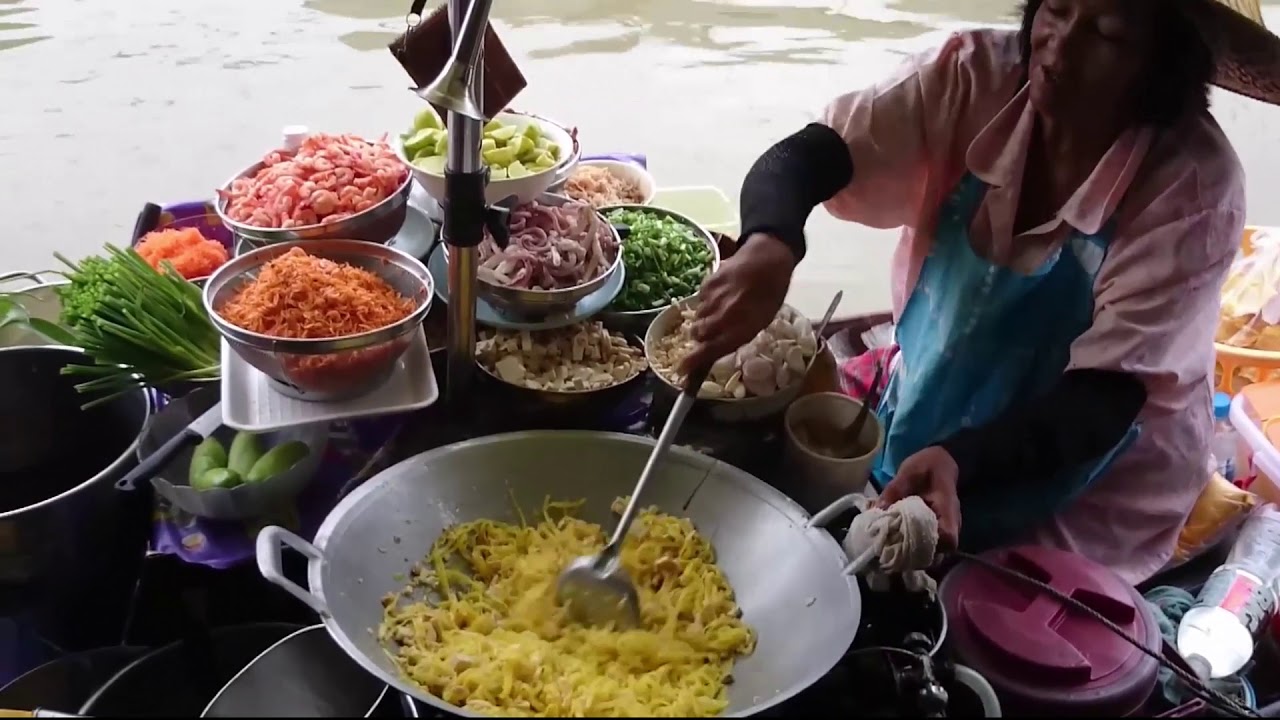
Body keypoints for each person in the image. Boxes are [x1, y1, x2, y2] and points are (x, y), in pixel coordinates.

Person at [681, 0, 1280, 584]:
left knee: (986, 619)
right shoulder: (970, 77)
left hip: (1093, 472)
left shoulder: (1193, 189)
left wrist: (961, 461)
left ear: (1163, 65)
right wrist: (772, 243)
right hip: (942, 396)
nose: (1061, 46)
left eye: (1108, 33)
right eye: (1059, 9)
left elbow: (1104, 400)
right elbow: (813, 154)